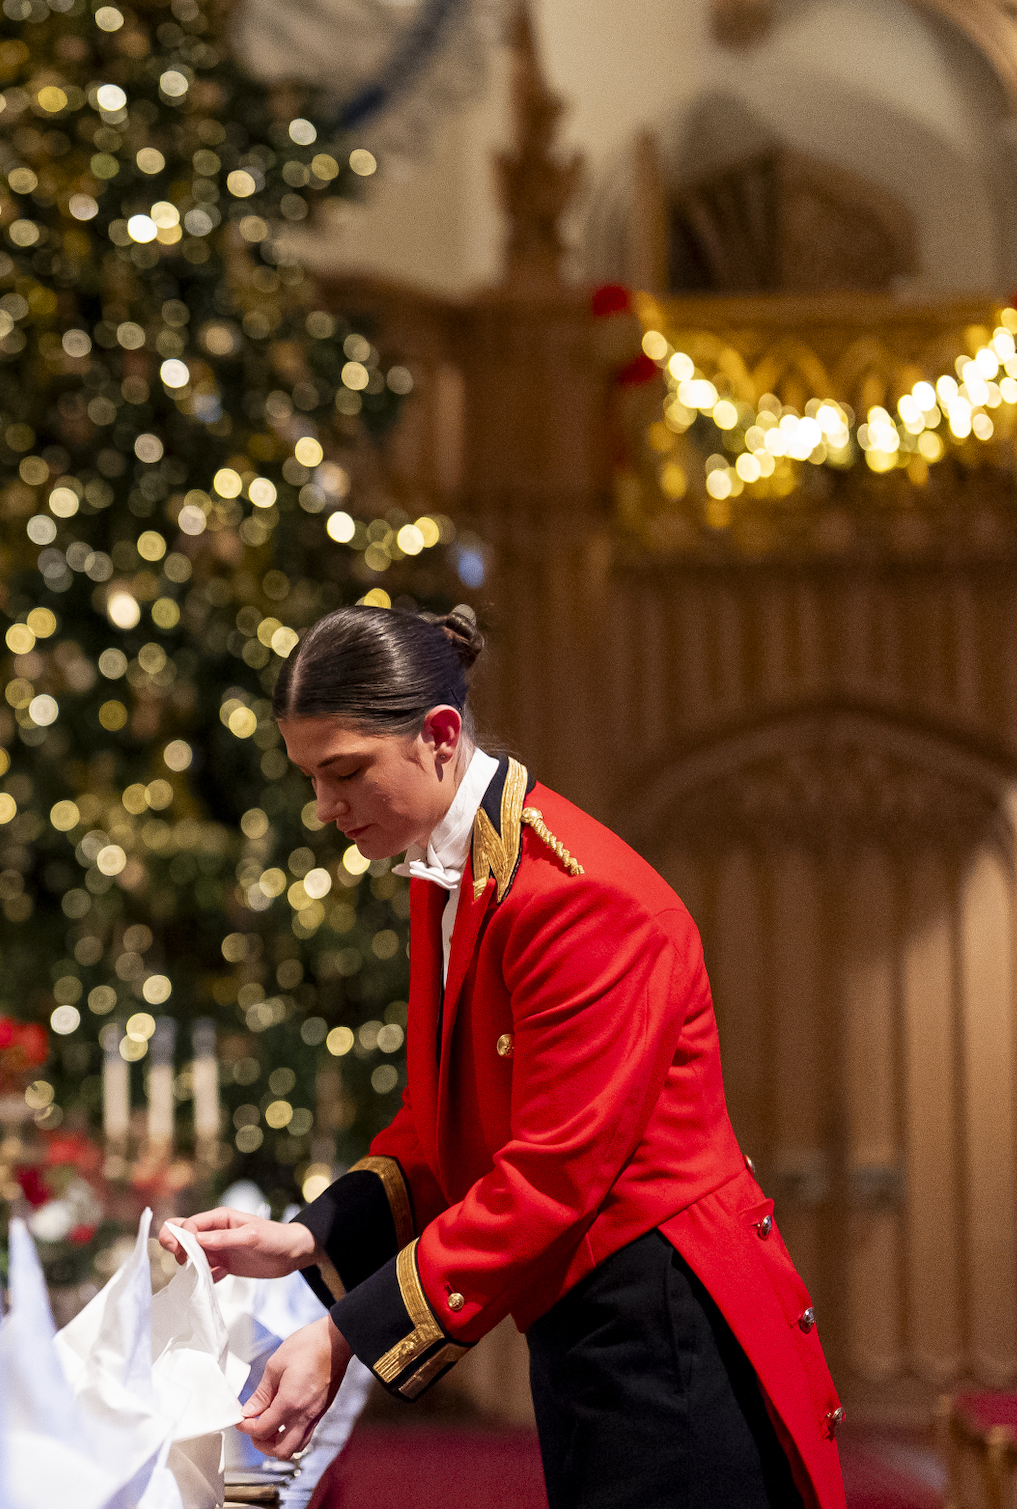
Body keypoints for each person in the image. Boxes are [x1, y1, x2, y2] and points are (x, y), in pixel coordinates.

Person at [162, 605, 846, 1509]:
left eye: (346, 771)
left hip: (667, 1323)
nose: (324, 808)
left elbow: (552, 1171)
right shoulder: (462, 868)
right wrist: (308, 1237)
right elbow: (441, 1122)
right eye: (311, 777)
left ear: (440, 737)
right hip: (586, 1312)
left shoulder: (575, 895)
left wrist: (343, 1335)